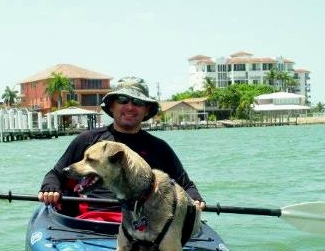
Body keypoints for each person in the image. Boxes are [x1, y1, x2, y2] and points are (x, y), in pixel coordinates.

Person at [38, 78, 206, 212]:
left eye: (138, 102)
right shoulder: (86, 140)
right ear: (112, 105)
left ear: (147, 109)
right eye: (123, 100)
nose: (130, 106)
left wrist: (195, 198)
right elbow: (55, 174)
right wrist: (50, 188)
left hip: (145, 226)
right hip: (91, 222)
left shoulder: (160, 148)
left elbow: (186, 185)